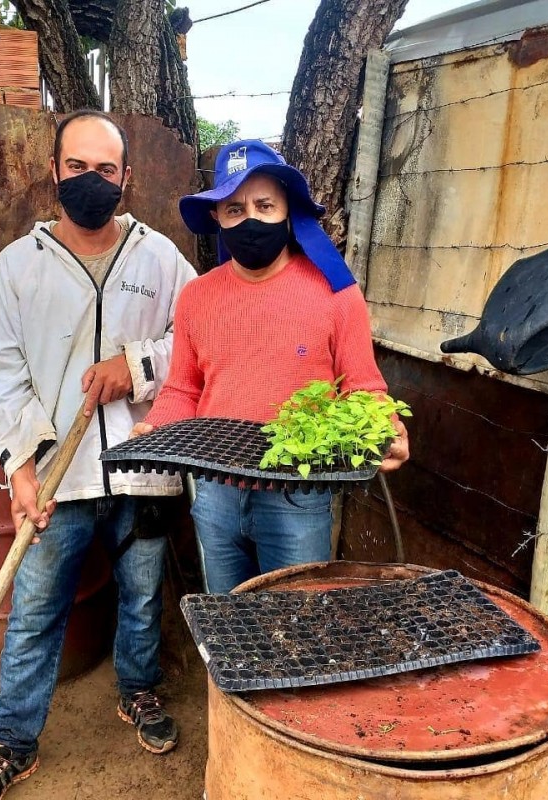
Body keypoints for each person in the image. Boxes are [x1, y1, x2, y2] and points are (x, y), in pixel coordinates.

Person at [0, 110, 197, 800]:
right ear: (54, 171)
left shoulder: (158, 258)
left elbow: (199, 337)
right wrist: (22, 468)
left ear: (127, 178)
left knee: (142, 592)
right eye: (76, 167)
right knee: (34, 607)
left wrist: (139, 365)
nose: (90, 179)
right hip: (58, 471)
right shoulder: (19, 266)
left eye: (105, 169)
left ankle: (139, 691)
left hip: (142, 462)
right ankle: (13, 739)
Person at [132, 139, 409, 594]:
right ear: (218, 218)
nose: (251, 219)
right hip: (215, 486)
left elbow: (362, 386)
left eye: (265, 205)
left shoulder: (336, 295)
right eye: (235, 209)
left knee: (296, 625)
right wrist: (158, 426)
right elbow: (183, 388)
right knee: (228, 626)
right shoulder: (197, 298)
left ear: (288, 211)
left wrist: (387, 424)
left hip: (296, 493)